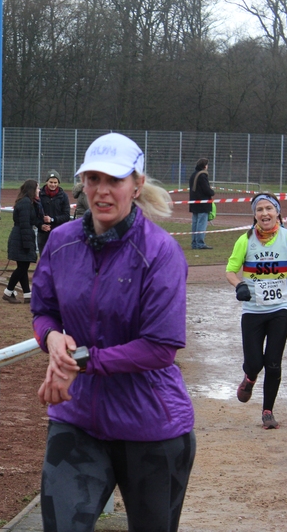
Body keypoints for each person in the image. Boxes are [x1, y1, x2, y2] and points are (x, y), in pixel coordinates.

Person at [32, 133, 195, 532]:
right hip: (77, 418)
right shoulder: (61, 242)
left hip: (151, 424)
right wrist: (53, 339)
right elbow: (44, 310)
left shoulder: (160, 252)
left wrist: (80, 361)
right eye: (93, 179)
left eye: (114, 180)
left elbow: (160, 348)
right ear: (83, 183)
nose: (102, 191)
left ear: (137, 185)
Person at [225, 192, 287, 430]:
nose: (265, 213)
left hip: (281, 308)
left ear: (277, 212)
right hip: (252, 311)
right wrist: (240, 285)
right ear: (254, 215)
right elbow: (230, 271)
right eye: (259, 210)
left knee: (273, 362)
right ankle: (250, 377)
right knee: (254, 363)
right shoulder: (245, 240)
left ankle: (268, 411)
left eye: (269, 209)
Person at [3, 179, 42, 304]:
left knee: (23, 267)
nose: (39, 190)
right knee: (22, 268)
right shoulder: (25, 203)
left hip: (20, 237)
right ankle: (8, 292)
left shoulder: (28, 202)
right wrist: (27, 244)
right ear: (32, 190)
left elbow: (31, 220)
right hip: (21, 238)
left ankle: (27, 295)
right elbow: (25, 225)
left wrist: (41, 225)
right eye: (37, 188)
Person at [37, 170, 70, 252]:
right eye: (51, 182)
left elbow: (66, 216)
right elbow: (34, 214)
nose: (53, 185)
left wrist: (52, 219)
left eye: (55, 182)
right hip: (43, 234)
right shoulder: (40, 195)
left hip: (58, 233)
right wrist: (41, 225)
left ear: (58, 183)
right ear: (46, 182)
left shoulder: (63, 196)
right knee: (44, 257)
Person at [189, 158, 215, 249]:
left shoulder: (193, 174)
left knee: (195, 223)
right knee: (201, 224)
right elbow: (206, 189)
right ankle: (200, 243)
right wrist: (212, 192)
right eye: (207, 165)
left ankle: (194, 243)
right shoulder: (202, 175)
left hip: (194, 203)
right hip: (202, 203)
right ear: (204, 166)